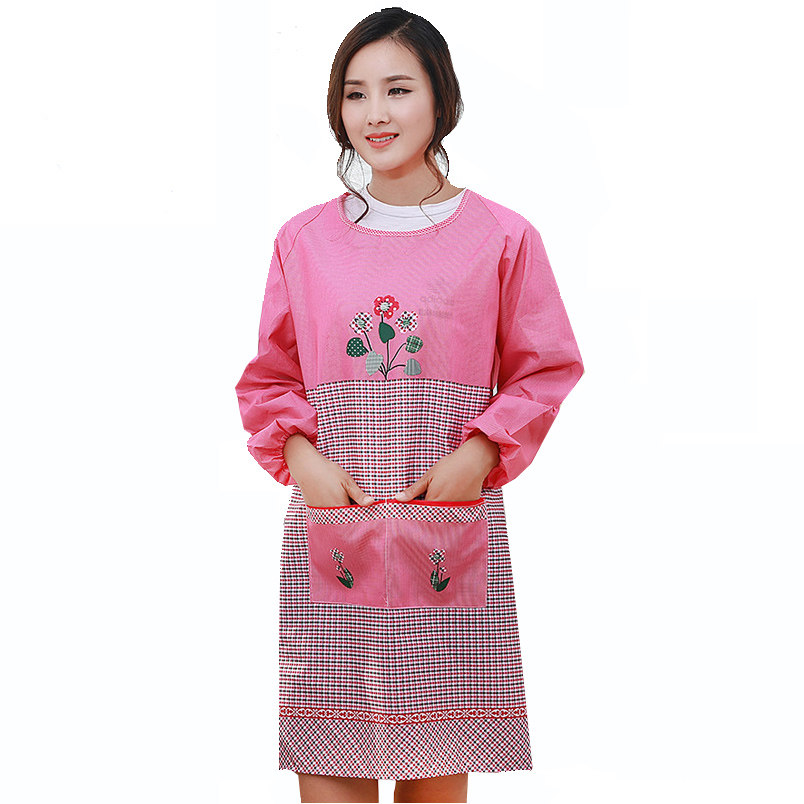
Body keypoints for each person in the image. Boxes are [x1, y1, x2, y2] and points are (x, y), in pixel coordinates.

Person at [235, 8, 584, 803]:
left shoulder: (502, 237)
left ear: (441, 97)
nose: (375, 113)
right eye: (355, 94)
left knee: (435, 765)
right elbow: (270, 377)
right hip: (336, 526)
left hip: (445, 532)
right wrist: (301, 458)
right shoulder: (303, 241)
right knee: (331, 755)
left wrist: (480, 452)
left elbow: (546, 367)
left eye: (398, 89)